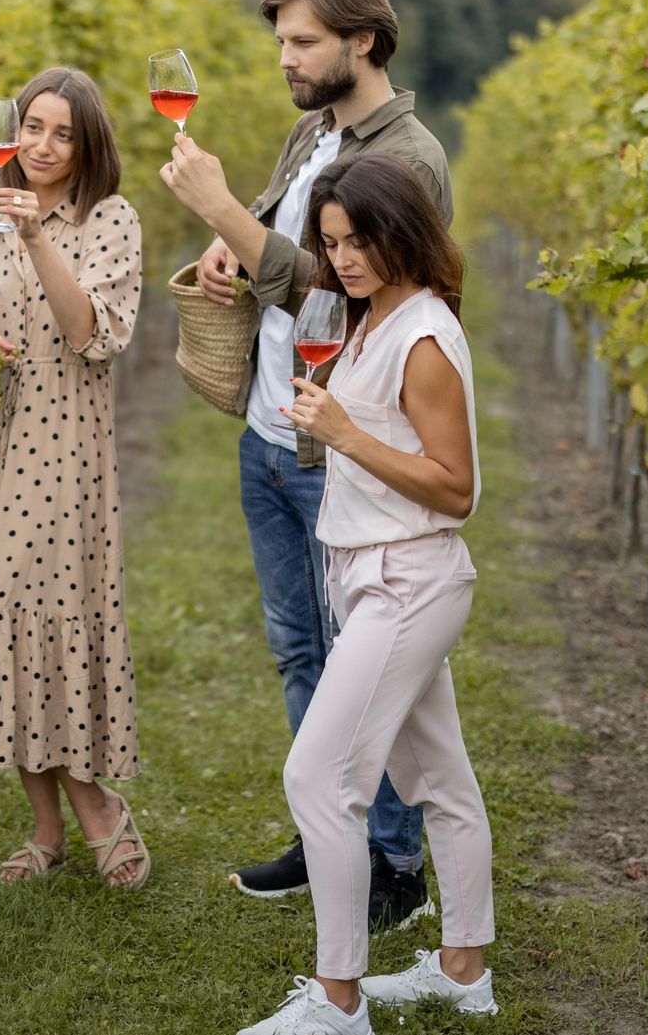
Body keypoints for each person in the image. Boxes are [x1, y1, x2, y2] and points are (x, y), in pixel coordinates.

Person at [158, 0, 451, 929]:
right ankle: (328, 828)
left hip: (344, 447)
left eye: (303, 42)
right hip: (270, 431)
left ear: (363, 40)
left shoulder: (406, 158)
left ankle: (394, 864)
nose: (285, 58)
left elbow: (341, 296)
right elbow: (290, 254)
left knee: (364, 664)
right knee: (301, 652)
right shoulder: (311, 130)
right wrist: (229, 248)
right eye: (280, 39)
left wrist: (222, 211)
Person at [239, 154, 496, 1033]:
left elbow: (456, 488)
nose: (342, 258)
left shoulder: (422, 335)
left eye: (359, 240)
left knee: (318, 777)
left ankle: (338, 999)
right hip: (370, 571)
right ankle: (463, 970)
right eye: (332, 241)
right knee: (440, 779)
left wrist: (342, 432)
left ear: (402, 233)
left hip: (407, 578)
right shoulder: (368, 315)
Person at [0, 68, 150, 888]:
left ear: (88, 143)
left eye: (63, 132)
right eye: (31, 127)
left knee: (40, 621)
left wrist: (34, 238)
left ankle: (98, 809)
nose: (43, 146)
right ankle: (50, 829)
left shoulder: (111, 221)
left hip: (65, 456)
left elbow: (93, 333)